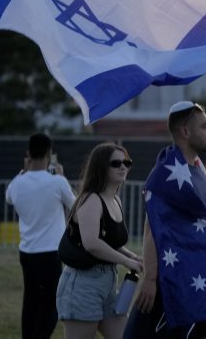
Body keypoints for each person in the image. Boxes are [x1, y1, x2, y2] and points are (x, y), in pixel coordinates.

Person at [124, 101, 206, 339]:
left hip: (204, 280)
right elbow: (152, 227)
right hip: (179, 280)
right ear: (185, 131)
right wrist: (150, 278)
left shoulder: (198, 170)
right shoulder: (164, 175)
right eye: (205, 127)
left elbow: (200, 219)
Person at [55, 143, 142, 339]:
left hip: (108, 284)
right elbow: (92, 243)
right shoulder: (91, 199)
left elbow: (111, 242)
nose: (123, 167)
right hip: (83, 285)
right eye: (116, 163)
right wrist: (126, 262)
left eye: (127, 162)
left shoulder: (115, 200)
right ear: (101, 167)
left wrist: (132, 256)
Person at [6, 133, 76, 339]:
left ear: (28, 154)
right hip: (50, 252)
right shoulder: (57, 182)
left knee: (30, 303)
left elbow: (9, 197)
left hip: (27, 252)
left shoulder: (17, 183)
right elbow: (75, 204)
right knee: (51, 305)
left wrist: (24, 169)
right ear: (49, 153)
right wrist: (62, 176)